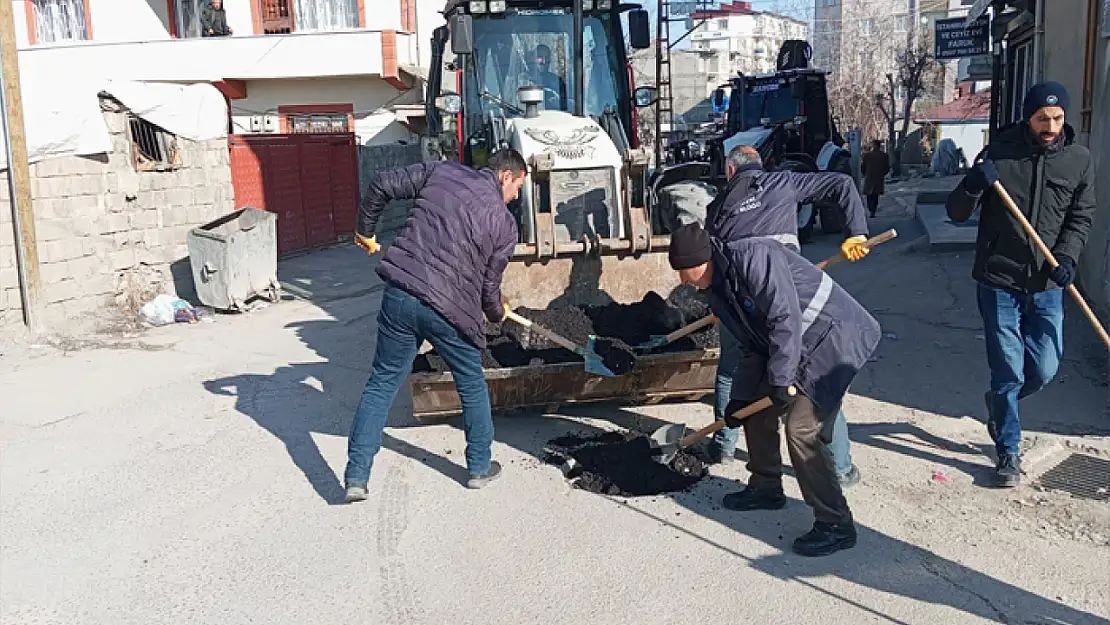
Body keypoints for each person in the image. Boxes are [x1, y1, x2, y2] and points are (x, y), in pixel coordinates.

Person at [667, 223, 881, 556]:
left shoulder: (754, 258)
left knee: (802, 429)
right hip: (797, 344)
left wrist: (781, 382)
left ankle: (836, 523)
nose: (682, 280)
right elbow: (753, 345)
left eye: (684, 271)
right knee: (754, 407)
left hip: (835, 337)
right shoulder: (718, 291)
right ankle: (765, 487)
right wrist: (739, 397)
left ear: (704, 259)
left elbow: (784, 319)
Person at [343, 149, 527, 503]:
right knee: (471, 383)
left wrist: (364, 231)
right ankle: (478, 467)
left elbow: (382, 184)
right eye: (518, 186)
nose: (516, 196)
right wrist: (496, 312)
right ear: (505, 176)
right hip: (450, 311)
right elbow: (489, 289)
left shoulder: (440, 173)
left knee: (381, 382)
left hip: (401, 294)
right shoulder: (504, 225)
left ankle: (356, 477)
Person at [946, 82, 1095, 488]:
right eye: (1042, 118)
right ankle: (1008, 450)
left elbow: (1081, 217)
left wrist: (1067, 258)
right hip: (999, 279)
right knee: (1007, 369)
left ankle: (998, 404)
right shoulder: (999, 152)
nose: (1050, 126)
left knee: (1044, 368)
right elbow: (956, 212)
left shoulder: (1079, 161)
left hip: (1047, 282)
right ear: (1028, 117)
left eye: (1058, 118)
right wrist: (974, 182)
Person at [704, 145, 870, 488]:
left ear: (731, 171)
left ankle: (724, 446)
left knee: (733, 374)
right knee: (817, 388)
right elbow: (841, 183)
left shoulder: (718, 206)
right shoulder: (782, 182)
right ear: (760, 167)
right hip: (789, 301)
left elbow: (714, 260)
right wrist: (856, 231)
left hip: (743, 308)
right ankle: (840, 469)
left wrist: (721, 308)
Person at [528, 44, 567, 110]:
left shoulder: (557, 81)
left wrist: (556, 98)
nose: (544, 61)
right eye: (540, 57)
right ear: (534, 59)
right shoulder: (524, 80)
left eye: (547, 57)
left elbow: (566, 104)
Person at [861, 140, 890, 218]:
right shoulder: (884, 155)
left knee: (869, 195)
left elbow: (863, 167)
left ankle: (871, 210)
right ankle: (873, 210)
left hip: (869, 177)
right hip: (878, 177)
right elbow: (887, 168)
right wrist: (882, 174)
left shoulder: (867, 155)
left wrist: (865, 174)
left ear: (873, 146)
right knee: (876, 195)